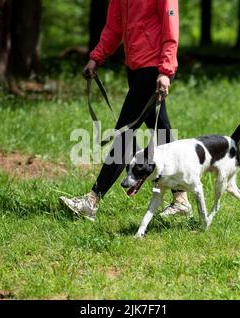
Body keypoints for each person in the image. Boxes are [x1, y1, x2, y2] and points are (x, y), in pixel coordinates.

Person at [59, 0, 191, 220]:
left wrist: (166, 71)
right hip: (135, 68)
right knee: (162, 132)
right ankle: (181, 200)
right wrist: (96, 57)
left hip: (154, 68)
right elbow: (114, 27)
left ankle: (91, 200)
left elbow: (171, 28)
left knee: (124, 132)